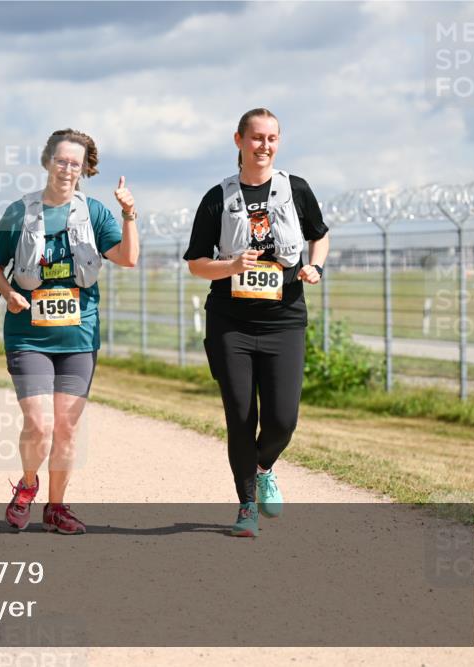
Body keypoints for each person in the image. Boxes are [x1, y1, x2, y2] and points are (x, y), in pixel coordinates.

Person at [183, 108, 330, 537]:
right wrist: (230, 266)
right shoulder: (217, 197)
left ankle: (263, 467)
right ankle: (247, 504)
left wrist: (316, 267)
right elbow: (196, 264)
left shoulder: (295, 189)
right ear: (239, 140)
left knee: (283, 419)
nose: (264, 146)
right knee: (241, 417)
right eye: (256, 138)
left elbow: (319, 234)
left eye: (271, 138)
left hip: (284, 320)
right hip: (231, 323)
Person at [0, 129, 139, 535]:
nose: (67, 168)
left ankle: (56, 508)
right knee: (40, 424)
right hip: (28, 335)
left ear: (84, 169)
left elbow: (128, 258)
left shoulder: (95, 212)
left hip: (78, 338)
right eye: (61, 160)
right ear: (48, 161)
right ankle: (27, 486)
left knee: (67, 427)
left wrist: (128, 214)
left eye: (75, 163)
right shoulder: (20, 212)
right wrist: (9, 294)